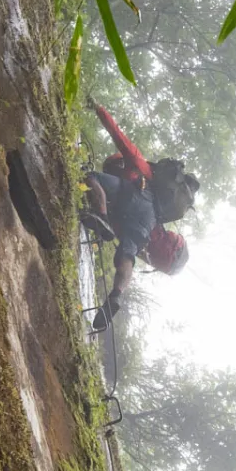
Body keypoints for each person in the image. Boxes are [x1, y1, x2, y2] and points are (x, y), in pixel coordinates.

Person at [81, 102, 190, 330]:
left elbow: (119, 136)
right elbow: (130, 253)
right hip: (146, 223)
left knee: (92, 177)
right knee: (127, 256)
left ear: (116, 163)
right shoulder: (157, 220)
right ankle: (117, 295)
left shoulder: (141, 168)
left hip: (134, 197)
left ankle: (100, 216)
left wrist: (99, 108)